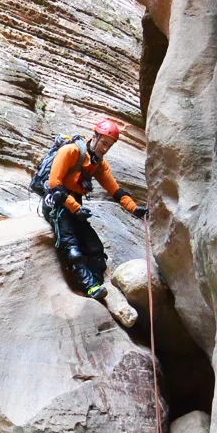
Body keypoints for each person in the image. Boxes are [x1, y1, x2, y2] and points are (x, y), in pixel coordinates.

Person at [43, 119, 148, 301]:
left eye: (109, 145)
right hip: (57, 203)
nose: (105, 148)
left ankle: (96, 283)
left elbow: (115, 191)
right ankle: (90, 287)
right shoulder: (71, 151)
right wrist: (76, 209)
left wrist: (135, 209)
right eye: (104, 143)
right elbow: (55, 185)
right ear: (95, 137)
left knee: (96, 250)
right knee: (71, 248)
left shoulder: (98, 164)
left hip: (74, 206)